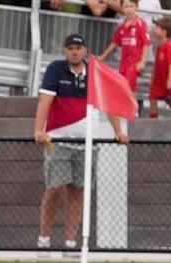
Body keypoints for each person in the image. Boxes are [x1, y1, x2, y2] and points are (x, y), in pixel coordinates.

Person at [34, 34, 129, 249]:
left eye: (78, 47)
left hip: (86, 144)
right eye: (70, 48)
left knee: (78, 191)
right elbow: (45, 100)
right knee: (55, 188)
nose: (74, 51)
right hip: (58, 140)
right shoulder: (55, 69)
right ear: (65, 51)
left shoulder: (95, 72)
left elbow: (108, 102)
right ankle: (44, 239)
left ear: (85, 50)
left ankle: (70, 241)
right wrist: (38, 130)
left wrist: (118, 131)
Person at [99, 0, 151, 112]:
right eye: (126, 6)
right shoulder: (122, 26)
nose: (129, 9)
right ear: (122, 8)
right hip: (124, 63)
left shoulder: (140, 24)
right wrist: (103, 56)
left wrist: (142, 61)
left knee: (130, 85)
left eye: (131, 6)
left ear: (136, 7)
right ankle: (125, 109)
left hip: (135, 63)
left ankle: (134, 110)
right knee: (122, 85)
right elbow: (115, 43)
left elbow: (147, 43)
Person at [149, 17, 171, 118]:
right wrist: (152, 79)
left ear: (164, 32)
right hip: (158, 82)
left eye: (157, 27)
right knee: (152, 97)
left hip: (167, 82)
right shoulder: (160, 46)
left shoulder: (169, 46)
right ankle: (154, 118)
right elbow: (157, 65)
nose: (155, 29)